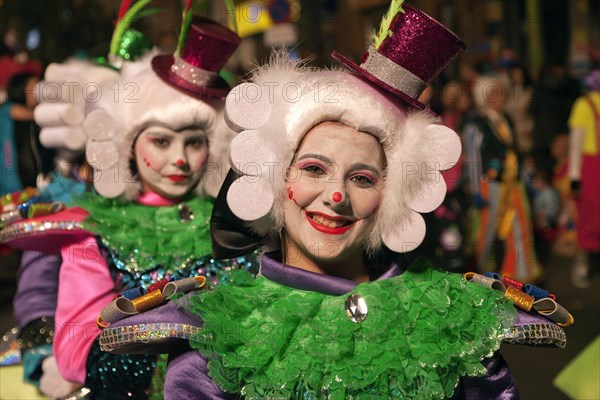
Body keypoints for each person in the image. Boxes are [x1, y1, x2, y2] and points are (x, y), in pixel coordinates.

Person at [98, 3, 571, 399]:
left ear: (390, 198)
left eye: (363, 178)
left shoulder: (454, 324)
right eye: (313, 169)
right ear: (275, 178)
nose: (338, 195)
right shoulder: (217, 337)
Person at [2, 16, 248, 399]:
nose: (180, 159)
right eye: (162, 142)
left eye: (194, 143)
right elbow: (72, 353)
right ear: (130, 145)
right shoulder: (94, 230)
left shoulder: (233, 225)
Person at [463, 75, 543, 282]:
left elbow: (514, 152)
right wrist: (475, 191)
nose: (502, 96)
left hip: (513, 184)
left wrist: (529, 178)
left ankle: (519, 275)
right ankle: (480, 275)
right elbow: (473, 158)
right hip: (490, 186)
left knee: (520, 226)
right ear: (485, 96)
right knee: (487, 231)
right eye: (495, 92)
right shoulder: (476, 124)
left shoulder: (505, 119)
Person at [568, 67, 600, 288]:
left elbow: (575, 143)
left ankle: (582, 266)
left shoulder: (582, 104)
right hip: (591, 166)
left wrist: (574, 176)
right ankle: (582, 265)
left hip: (589, 167)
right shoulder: (584, 105)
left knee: (588, 217)